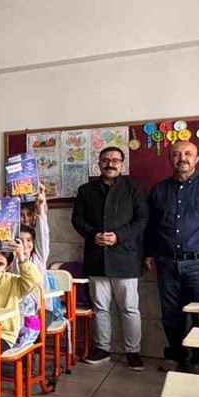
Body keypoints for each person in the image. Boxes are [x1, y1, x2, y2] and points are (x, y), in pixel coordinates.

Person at [143, 140, 199, 371]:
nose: (183, 158)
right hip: (166, 262)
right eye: (177, 154)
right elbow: (151, 226)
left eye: (188, 153)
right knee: (170, 314)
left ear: (197, 158)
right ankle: (178, 357)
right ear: (170, 158)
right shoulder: (159, 190)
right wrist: (149, 252)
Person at [71, 148, 149, 371]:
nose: (110, 164)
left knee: (129, 308)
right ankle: (102, 348)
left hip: (126, 257)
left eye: (115, 160)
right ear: (99, 164)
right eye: (105, 160)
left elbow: (142, 219)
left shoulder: (134, 188)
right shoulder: (86, 190)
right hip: (97, 257)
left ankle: (133, 352)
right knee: (100, 307)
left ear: (122, 164)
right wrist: (92, 234)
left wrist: (119, 236)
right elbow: (77, 219)